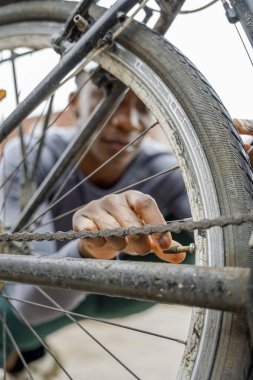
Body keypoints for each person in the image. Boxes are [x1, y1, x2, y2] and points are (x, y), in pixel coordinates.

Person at [0, 69, 191, 379]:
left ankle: (24, 353)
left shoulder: (166, 169)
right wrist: (89, 249)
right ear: (75, 101)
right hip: (49, 289)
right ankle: (26, 355)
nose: (128, 121)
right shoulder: (31, 153)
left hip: (128, 288)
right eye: (108, 96)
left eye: (143, 106)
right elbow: (28, 304)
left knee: (195, 226)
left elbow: (234, 245)